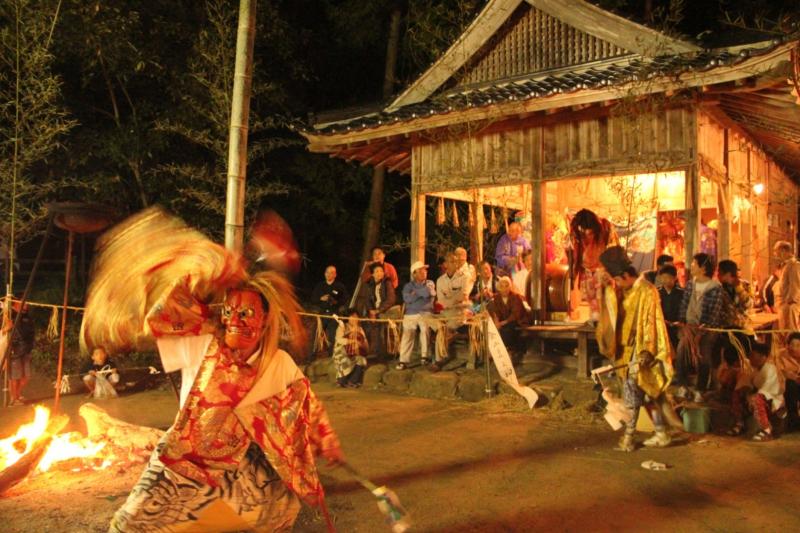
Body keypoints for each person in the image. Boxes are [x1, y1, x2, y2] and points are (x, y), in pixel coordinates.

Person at [81, 208, 343, 532]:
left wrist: (325, 438)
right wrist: (213, 268)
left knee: (276, 513)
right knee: (129, 527)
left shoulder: (277, 363)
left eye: (247, 313)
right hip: (181, 465)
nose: (237, 319)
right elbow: (163, 313)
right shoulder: (203, 341)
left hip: (239, 473)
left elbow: (306, 405)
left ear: (264, 323)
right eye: (231, 311)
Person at [595, 246, 674, 452]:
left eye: (618, 280)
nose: (617, 285)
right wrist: (606, 289)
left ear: (625, 275)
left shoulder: (648, 291)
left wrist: (646, 350)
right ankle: (661, 432)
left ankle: (628, 438)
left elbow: (650, 321)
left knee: (634, 395)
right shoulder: (625, 290)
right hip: (626, 350)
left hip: (640, 352)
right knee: (647, 395)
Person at [674, 253, 728, 401]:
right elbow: (684, 303)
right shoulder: (691, 283)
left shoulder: (715, 287)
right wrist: (681, 320)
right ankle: (682, 385)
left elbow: (714, 311)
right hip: (689, 327)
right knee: (681, 351)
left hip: (707, 329)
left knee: (704, 355)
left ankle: (700, 389)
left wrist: (703, 328)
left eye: (694, 263)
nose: (691, 265)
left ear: (703, 268)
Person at [728, 342, 785, 441]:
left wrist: (752, 397)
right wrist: (745, 390)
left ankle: (767, 430)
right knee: (737, 393)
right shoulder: (754, 370)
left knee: (756, 399)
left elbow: (767, 392)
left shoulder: (770, 369)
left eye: (753, 356)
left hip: (774, 403)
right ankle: (740, 424)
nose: (750, 358)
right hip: (761, 399)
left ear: (763, 357)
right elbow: (746, 383)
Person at [569, 209, 618, 321]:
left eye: (589, 231)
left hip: (603, 271)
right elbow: (575, 254)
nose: (586, 234)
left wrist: (611, 272)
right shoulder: (576, 231)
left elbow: (613, 251)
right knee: (589, 304)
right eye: (583, 231)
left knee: (604, 304)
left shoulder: (606, 228)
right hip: (586, 271)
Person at [397, 261, 436, 370]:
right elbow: (407, 299)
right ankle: (403, 360)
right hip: (411, 313)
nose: (424, 272)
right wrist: (420, 293)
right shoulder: (408, 286)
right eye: (421, 270)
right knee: (407, 334)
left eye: (425, 270)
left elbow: (428, 293)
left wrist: (415, 293)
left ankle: (424, 356)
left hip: (426, 312)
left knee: (425, 330)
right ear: (414, 274)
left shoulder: (430, 283)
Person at [310, 265, 350, 356]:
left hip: (334, 314)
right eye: (327, 272)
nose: (329, 274)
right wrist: (321, 298)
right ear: (324, 274)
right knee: (316, 334)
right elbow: (313, 299)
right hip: (322, 313)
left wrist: (336, 302)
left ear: (335, 275)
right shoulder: (320, 286)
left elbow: (345, 299)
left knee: (332, 335)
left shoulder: (339, 286)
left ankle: (332, 356)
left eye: (332, 272)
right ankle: (311, 356)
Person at [361, 263, 397, 358]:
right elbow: (367, 300)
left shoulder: (387, 282)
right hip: (374, 311)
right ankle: (372, 350)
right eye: (377, 271)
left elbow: (391, 299)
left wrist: (378, 311)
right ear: (372, 274)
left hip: (385, 310)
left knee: (380, 326)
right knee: (367, 324)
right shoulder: (369, 284)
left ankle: (385, 353)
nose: (379, 273)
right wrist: (371, 311)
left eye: (381, 271)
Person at [487, 276, 527, 358]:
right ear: (499, 288)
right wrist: (497, 321)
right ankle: (496, 350)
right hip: (504, 322)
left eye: (506, 286)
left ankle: (506, 350)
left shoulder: (516, 297)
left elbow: (516, 314)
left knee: (508, 328)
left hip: (518, 321)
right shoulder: (497, 297)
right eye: (502, 286)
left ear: (510, 287)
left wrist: (502, 323)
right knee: (494, 328)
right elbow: (495, 311)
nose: (504, 289)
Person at [6, 301, 35, 406]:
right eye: (23, 303)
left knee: (26, 376)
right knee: (14, 376)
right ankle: (13, 398)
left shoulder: (27, 317)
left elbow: (31, 332)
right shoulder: (9, 315)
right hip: (14, 351)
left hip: (26, 350)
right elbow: (4, 331)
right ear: (15, 305)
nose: (26, 305)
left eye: (27, 304)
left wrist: (31, 345)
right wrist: (6, 328)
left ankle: (17, 394)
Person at [331, 310, 368, 388]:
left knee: (362, 360)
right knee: (345, 362)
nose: (354, 318)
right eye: (352, 316)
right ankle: (342, 380)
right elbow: (339, 340)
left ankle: (352, 381)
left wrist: (361, 345)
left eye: (356, 316)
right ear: (348, 318)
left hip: (355, 353)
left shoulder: (360, 329)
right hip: (342, 353)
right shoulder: (343, 327)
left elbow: (365, 343)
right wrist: (351, 341)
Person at [774, 241, 800, 332]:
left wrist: (789, 304)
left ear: (783, 251)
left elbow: (795, 286)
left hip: (789, 306)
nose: (775, 253)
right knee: (784, 334)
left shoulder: (794, 265)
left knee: (791, 335)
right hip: (782, 306)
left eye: (776, 250)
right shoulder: (784, 265)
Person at [777, 332, 800, 431]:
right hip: (787, 387)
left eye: (798, 345)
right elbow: (779, 371)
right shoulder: (780, 355)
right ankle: (793, 419)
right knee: (791, 386)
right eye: (792, 344)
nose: (794, 348)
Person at [658, 264, 683, 351]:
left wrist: (680, 321)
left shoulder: (681, 293)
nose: (665, 280)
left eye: (668, 277)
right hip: (662, 327)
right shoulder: (657, 293)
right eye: (662, 277)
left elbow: (684, 310)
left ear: (675, 278)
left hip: (677, 328)